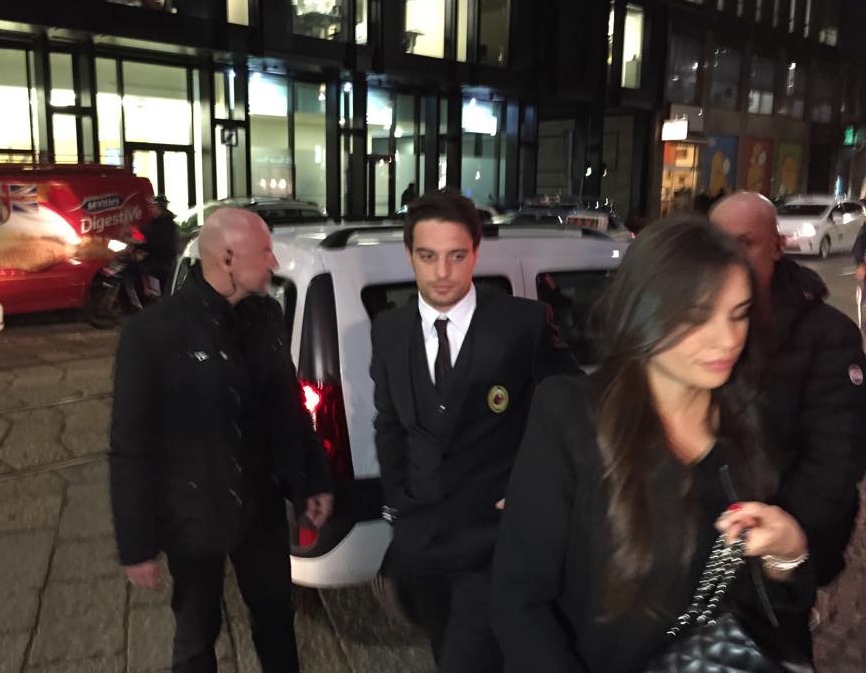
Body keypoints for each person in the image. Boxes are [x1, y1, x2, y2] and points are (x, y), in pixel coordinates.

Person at [491, 217, 815, 672]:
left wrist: (789, 554)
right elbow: (518, 599)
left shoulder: (754, 419)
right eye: (698, 315)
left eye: (739, 314)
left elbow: (768, 614)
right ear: (643, 311)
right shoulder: (571, 414)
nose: (728, 339)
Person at [110, 208, 333, 673]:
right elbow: (131, 447)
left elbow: (289, 406)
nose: (273, 262)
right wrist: (137, 545)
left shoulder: (266, 316)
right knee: (196, 634)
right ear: (227, 259)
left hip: (261, 508)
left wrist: (313, 479)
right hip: (193, 516)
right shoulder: (152, 334)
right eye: (264, 252)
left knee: (276, 620)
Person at [370, 190, 581, 672]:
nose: (442, 272)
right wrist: (398, 502)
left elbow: (575, 407)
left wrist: (533, 484)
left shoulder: (522, 324)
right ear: (409, 254)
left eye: (456, 256)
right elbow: (389, 423)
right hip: (421, 542)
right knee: (444, 650)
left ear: (476, 253)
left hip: (493, 543)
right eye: (428, 256)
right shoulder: (389, 330)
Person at [710, 192, 866, 629]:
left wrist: (782, 549)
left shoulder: (828, 335)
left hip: (773, 555)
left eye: (745, 243)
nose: (729, 257)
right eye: (717, 243)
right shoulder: (697, 321)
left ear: (777, 247)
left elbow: (836, 459)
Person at [142, 195, 179, 294]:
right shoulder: (157, 221)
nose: (151, 210)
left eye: (153, 207)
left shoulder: (166, 223)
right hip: (158, 257)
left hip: (164, 260)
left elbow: (158, 241)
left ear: (160, 208)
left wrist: (144, 244)